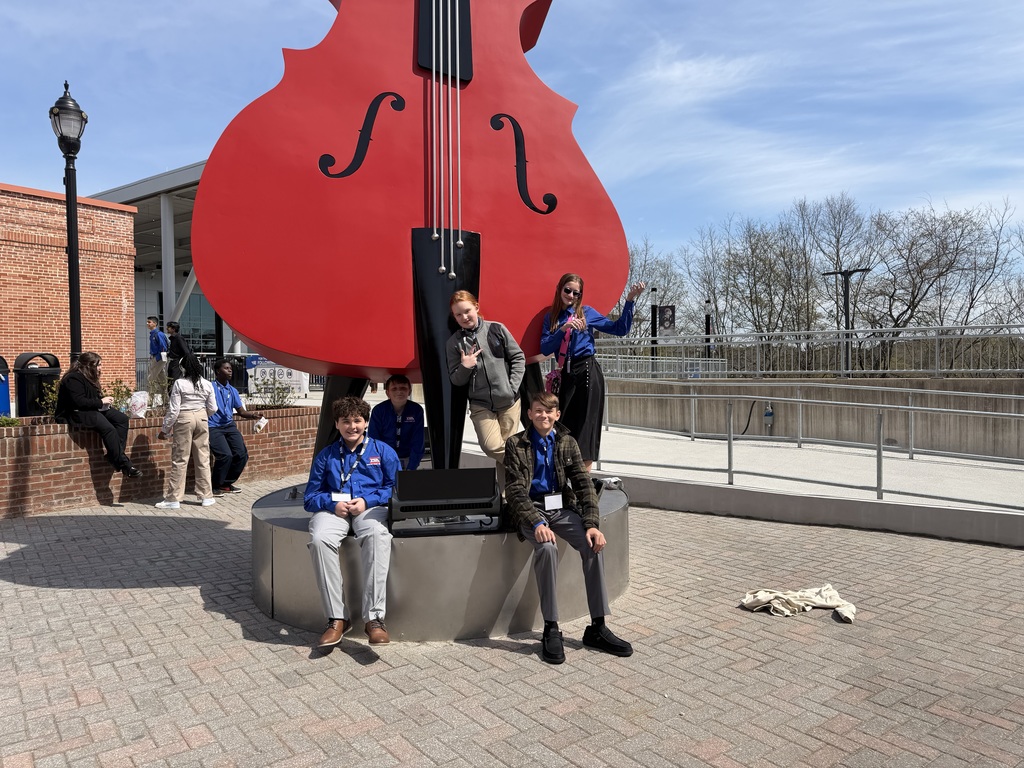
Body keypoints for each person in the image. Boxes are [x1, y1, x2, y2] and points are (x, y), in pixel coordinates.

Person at [504, 391, 633, 664]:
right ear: (529, 414)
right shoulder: (516, 444)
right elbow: (514, 490)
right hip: (532, 509)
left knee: (592, 545)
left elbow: (584, 485)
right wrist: (536, 522)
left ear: (557, 414)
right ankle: (551, 627)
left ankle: (597, 627)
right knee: (547, 548)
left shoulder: (567, 442)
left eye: (549, 411)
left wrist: (592, 524)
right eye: (538, 410)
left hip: (561, 508)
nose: (544, 415)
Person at [304, 396, 400, 649]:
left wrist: (367, 501)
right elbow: (310, 497)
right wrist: (331, 504)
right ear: (336, 424)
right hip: (334, 510)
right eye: (345, 421)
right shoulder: (326, 456)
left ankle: (374, 619)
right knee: (319, 539)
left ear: (366, 422)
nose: (352, 426)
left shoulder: (383, 451)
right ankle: (337, 618)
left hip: (370, 509)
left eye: (357, 420)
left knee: (377, 537)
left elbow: (397, 489)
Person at [540, 274, 647, 471]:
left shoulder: (586, 313)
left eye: (576, 292)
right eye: (567, 290)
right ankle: (563, 479)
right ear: (560, 289)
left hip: (587, 372)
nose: (571, 295)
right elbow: (546, 348)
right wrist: (563, 329)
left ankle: (583, 483)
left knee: (585, 428)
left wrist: (629, 300)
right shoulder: (551, 317)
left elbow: (620, 329)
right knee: (562, 426)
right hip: (565, 374)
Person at [445, 290, 525, 488]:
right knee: (492, 446)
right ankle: (528, 463)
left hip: (508, 401)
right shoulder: (453, 343)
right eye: (458, 314)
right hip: (481, 405)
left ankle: (509, 501)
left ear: (477, 308)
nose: (464, 317)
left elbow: (518, 357)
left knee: (505, 453)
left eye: (467, 311)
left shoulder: (496, 329)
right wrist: (465, 366)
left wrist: (511, 387)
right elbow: (455, 379)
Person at [55, 352, 141, 478]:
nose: (100, 368)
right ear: (89, 365)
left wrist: (103, 402)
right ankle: (125, 465)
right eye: (98, 365)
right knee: (108, 428)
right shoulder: (73, 378)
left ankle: (114, 455)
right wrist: (101, 402)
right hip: (75, 413)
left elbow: (92, 399)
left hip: (91, 409)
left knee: (121, 419)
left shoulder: (89, 377)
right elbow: (79, 402)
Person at [155, 354, 218, 510]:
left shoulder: (180, 383)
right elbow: (213, 408)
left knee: (180, 459)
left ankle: (173, 499)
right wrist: (203, 415)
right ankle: (206, 496)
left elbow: (174, 409)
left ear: (184, 367)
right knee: (203, 458)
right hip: (202, 417)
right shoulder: (207, 384)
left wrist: (165, 429)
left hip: (184, 418)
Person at [209, 358, 262, 495]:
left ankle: (226, 483)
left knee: (241, 454)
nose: (230, 370)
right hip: (213, 426)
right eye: (226, 368)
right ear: (217, 371)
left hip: (229, 425)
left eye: (230, 368)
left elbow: (241, 411)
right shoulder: (210, 388)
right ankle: (215, 485)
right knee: (225, 455)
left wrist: (252, 415)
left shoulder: (232, 390)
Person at [368, 374, 425, 470]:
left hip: (408, 458)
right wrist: (379, 462)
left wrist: (412, 466)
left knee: (405, 483)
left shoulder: (416, 410)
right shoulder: (379, 410)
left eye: (403, 388)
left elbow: (418, 440)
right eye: (394, 389)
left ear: (409, 391)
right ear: (387, 393)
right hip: (384, 459)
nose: (399, 392)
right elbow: (374, 439)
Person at [146, 316, 169, 403]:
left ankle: (150, 400)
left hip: (158, 357)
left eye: (149, 322)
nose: (147, 324)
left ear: (155, 324)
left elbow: (163, 347)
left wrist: (157, 358)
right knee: (162, 379)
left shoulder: (158, 334)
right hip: (156, 357)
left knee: (151, 378)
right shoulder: (153, 334)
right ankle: (166, 400)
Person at [165, 321, 192, 391]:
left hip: (177, 362)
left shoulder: (179, 338)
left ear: (173, 329)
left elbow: (186, 351)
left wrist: (184, 363)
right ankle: (170, 397)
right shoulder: (172, 339)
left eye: (168, 327)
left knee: (174, 380)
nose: (167, 328)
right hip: (172, 361)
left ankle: (174, 397)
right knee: (170, 380)